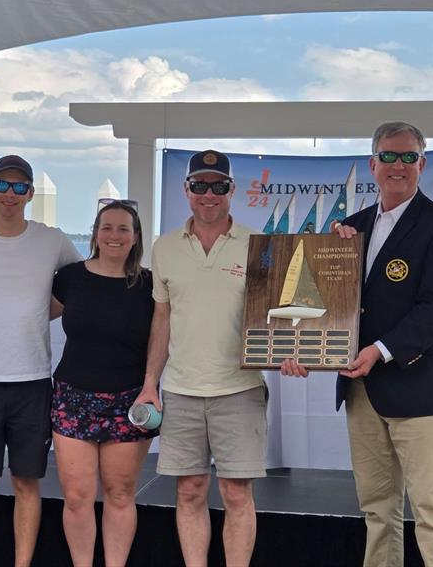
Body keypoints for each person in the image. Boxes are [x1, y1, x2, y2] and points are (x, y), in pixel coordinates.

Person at [282, 121, 433, 567]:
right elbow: (327, 305)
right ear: (372, 164)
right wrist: (306, 349)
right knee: (378, 510)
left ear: (422, 164)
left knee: (432, 511)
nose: (398, 165)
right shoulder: (349, 230)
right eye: (388, 156)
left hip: (419, 387)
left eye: (408, 157)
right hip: (362, 392)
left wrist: (380, 349)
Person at [134, 150, 267, 567]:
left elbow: (277, 312)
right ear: (185, 190)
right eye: (199, 185)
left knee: (236, 493)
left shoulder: (258, 245)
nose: (209, 194)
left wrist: (291, 353)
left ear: (232, 190)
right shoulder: (165, 248)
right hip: (181, 390)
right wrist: (149, 384)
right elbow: (162, 316)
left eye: (219, 186)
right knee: (189, 490)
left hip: (240, 388)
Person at [0, 155, 80, 567]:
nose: (10, 194)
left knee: (27, 483)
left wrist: (45, 311)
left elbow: (83, 284)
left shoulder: (53, 240)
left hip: (32, 380)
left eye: (19, 187)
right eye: (2, 186)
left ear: (30, 194)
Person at [50, 199, 156, 567]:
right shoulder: (70, 278)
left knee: (120, 494)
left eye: (123, 228)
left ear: (136, 237)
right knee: (77, 496)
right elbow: (27, 309)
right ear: (95, 234)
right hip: (72, 399)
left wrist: (151, 387)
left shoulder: (149, 286)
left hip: (128, 401)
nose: (114, 235)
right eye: (106, 227)